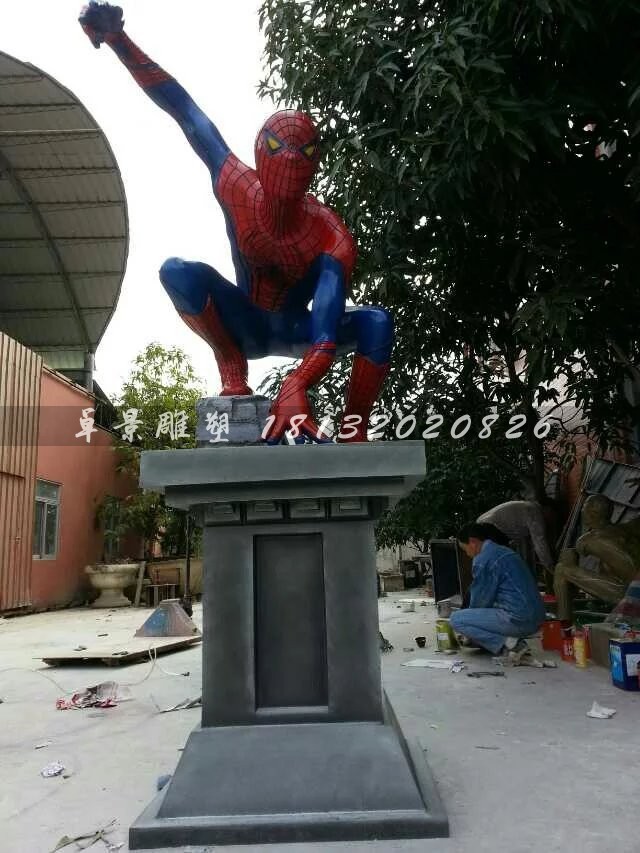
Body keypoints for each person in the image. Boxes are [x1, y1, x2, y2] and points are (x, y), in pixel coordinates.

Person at [78, 2, 393, 444]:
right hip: (244, 323)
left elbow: (325, 331)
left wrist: (296, 383)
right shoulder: (236, 184)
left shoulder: (330, 236)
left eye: (304, 152)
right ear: (261, 152)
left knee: (376, 322)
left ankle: (354, 430)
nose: (290, 161)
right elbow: (183, 109)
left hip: (298, 329)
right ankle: (230, 362)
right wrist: (119, 40)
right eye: (279, 148)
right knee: (176, 272)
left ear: (315, 164)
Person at [450, 522, 546, 657]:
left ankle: (510, 644)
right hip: (537, 617)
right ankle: (505, 642)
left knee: (457, 619)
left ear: (472, 542)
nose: (467, 554)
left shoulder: (483, 559)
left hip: (519, 619)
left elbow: (479, 602)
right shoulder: (506, 552)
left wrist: (471, 630)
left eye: (465, 549)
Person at [554, 494, 640, 620]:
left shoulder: (588, 540)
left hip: (630, 594)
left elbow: (574, 554)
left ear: (592, 513)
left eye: (584, 507)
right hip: (631, 586)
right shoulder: (624, 529)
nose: (581, 511)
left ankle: (563, 622)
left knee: (561, 569)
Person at [477, 499, 556, 576]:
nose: (552, 519)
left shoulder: (527, 507)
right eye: (552, 514)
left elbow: (526, 544)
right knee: (504, 563)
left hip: (483, 524)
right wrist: (551, 568)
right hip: (490, 528)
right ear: (547, 509)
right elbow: (540, 543)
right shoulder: (535, 513)